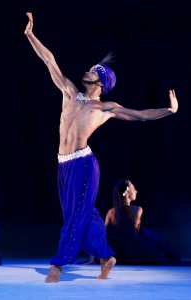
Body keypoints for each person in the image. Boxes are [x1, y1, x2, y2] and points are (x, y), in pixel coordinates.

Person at [24, 12, 179, 283]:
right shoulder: (70, 92)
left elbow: (141, 115)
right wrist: (30, 35)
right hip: (63, 165)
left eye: (94, 70)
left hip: (84, 166)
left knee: (75, 216)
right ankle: (107, 256)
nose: (88, 69)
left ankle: (58, 264)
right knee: (84, 214)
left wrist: (169, 109)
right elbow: (49, 60)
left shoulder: (105, 108)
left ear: (101, 82)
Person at [105, 179, 189, 265]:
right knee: (155, 241)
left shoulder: (111, 212)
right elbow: (134, 234)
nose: (136, 191)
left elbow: (105, 234)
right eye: (133, 189)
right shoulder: (137, 209)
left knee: (149, 236)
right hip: (133, 250)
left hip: (118, 251)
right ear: (126, 193)